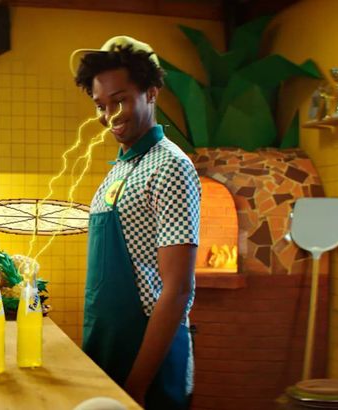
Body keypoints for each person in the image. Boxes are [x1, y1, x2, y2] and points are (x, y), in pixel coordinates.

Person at [71, 36, 200, 409]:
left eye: (121, 100)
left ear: (152, 92)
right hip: (106, 342)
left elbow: (176, 290)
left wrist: (137, 385)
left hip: (146, 359)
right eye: (100, 105)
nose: (109, 115)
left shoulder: (170, 166)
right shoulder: (121, 168)